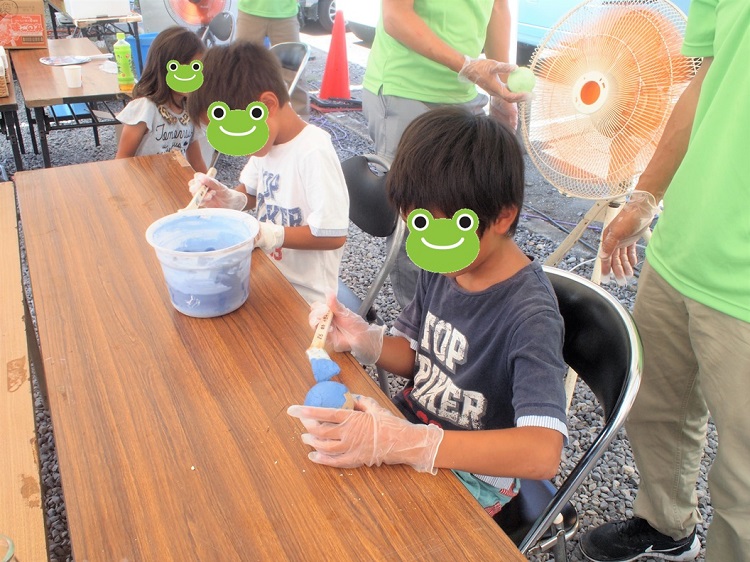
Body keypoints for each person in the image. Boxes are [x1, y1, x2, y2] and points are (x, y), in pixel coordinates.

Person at [288, 107, 568, 516]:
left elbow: (542, 453)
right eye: (419, 225)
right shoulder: (445, 264)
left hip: (475, 473)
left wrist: (411, 443)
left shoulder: (530, 315)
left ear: (503, 216)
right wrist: (366, 341)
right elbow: (419, 361)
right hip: (411, 426)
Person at [579, 2, 750, 561]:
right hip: (679, 250)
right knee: (655, 408)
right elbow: (704, 85)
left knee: (744, 481)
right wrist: (646, 196)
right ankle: (666, 524)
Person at [360, 0, 530, 309]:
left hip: (464, 94)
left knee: (470, 211)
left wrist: (500, 88)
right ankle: (417, 320)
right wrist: (466, 65)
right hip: (407, 88)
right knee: (420, 222)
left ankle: (461, 316)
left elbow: (498, 7)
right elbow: (396, 15)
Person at [186, 41, 349, 305]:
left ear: (267, 105)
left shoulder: (313, 151)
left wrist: (269, 234)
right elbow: (251, 193)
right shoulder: (266, 145)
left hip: (306, 296)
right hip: (270, 272)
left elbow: (333, 234)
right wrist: (229, 199)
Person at [116, 26, 207, 172]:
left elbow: (196, 162)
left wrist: (209, 183)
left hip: (175, 183)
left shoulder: (190, 111)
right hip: (144, 183)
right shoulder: (144, 108)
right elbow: (122, 161)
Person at [235, 0, 309, 118]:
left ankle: (300, 121)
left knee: (293, 73)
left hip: (285, 13)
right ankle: (239, 117)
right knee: (242, 70)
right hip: (249, 11)